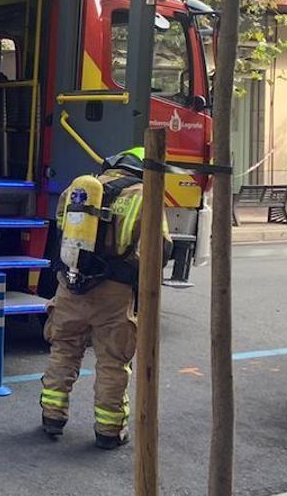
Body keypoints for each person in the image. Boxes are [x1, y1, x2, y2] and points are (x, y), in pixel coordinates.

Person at [39, 147, 172, 450]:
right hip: (115, 292)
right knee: (113, 362)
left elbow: (61, 232)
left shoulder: (79, 188)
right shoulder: (144, 196)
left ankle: (52, 416)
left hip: (70, 286)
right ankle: (109, 431)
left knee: (63, 350)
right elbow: (160, 249)